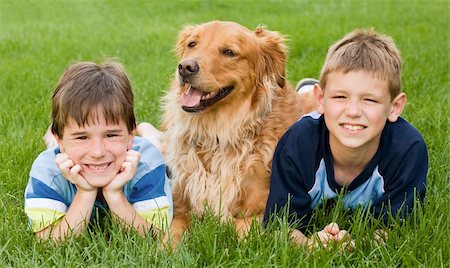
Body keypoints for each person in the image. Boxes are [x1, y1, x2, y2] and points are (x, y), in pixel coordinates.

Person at [263, 29, 428, 250]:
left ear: (394, 107)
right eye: (340, 96)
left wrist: (357, 244)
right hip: (314, 124)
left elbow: (398, 227)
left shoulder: (408, 149)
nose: (353, 111)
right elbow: (279, 225)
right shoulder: (297, 143)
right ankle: (307, 92)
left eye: (370, 100)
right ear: (320, 99)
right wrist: (309, 244)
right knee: (307, 119)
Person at [24, 61, 172, 240]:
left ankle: (148, 131)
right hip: (66, 150)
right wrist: (84, 193)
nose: (97, 152)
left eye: (111, 135)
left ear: (130, 135)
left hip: (141, 146)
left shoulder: (147, 164)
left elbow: (154, 234)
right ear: (61, 140)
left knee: (159, 147)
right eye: (82, 137)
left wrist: (115, 195)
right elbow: (48, 241)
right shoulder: (47, 170)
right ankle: (55, 139)